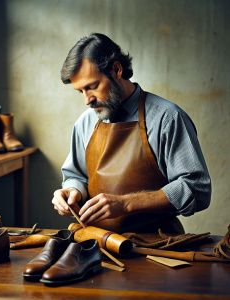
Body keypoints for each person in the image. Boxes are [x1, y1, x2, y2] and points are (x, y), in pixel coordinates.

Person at [52, 33, 211, 233]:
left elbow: (197, 189)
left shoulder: (168, 118)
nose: (87, 100)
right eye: (80, 91)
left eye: (92, 87)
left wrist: (126, 203)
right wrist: (72, 191)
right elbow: (77, 176)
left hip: (158, 247)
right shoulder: (85, 122)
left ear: (117, 70)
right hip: (98, 244)